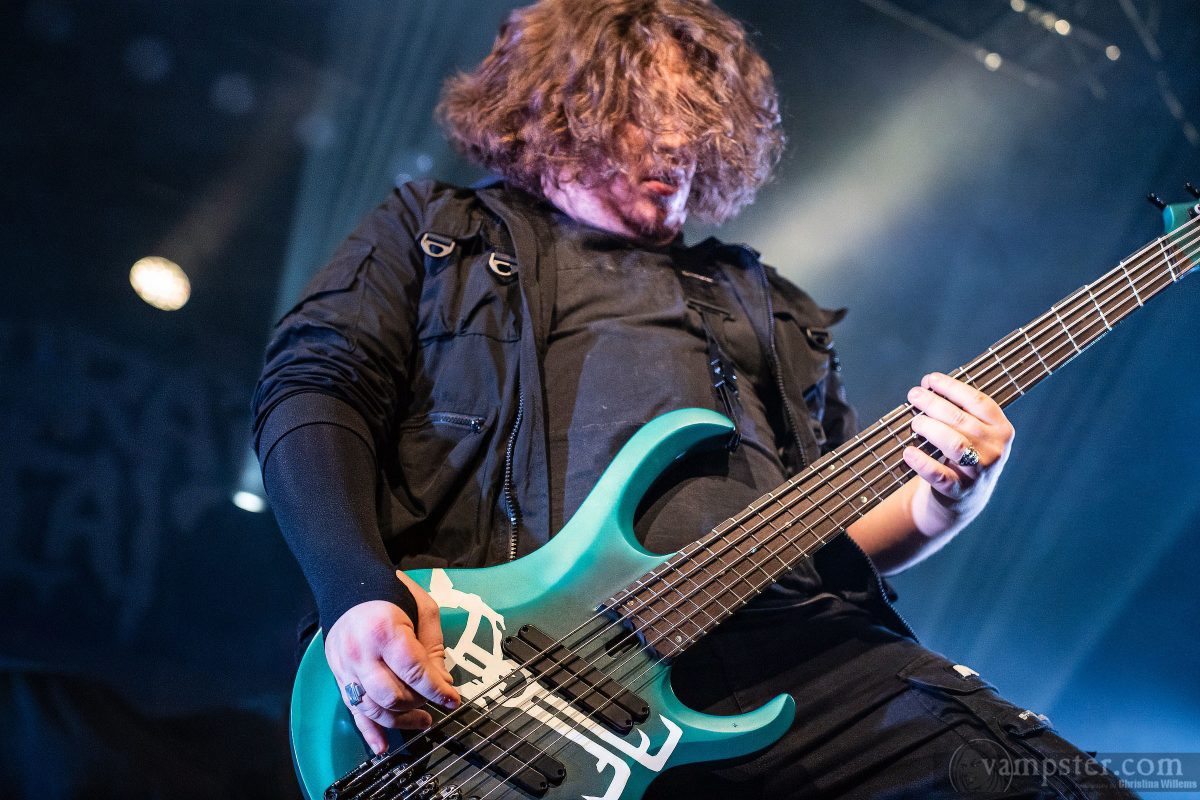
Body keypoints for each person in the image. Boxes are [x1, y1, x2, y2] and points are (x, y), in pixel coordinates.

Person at [253, 1, 1132, 796]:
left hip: (797, 655)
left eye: (699, 120)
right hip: (526, 673)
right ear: (560, 106)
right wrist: (354, 591)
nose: (679, 143)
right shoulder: (439, 233)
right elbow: (314, 391)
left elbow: (845, 526)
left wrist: (951, 499)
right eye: (646, 113)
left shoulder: (767, 302)